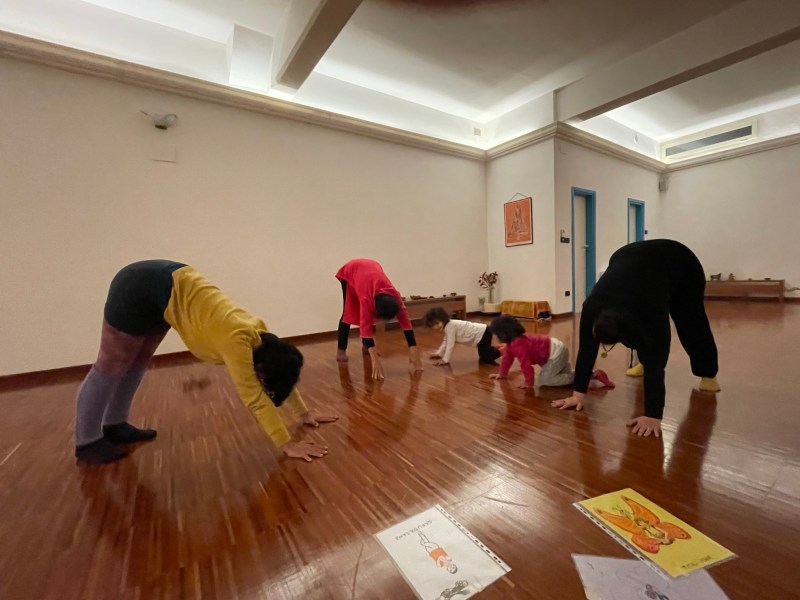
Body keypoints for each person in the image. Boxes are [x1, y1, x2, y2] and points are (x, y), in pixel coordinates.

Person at [74, 260, 336, 464]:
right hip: (140, 285)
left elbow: (282, 374)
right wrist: (286, 443)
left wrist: (304, 414)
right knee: (112, 362)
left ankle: (116, 425)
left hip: (169, 289)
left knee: (137, 363)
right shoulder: (237, 343)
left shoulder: (264, 339)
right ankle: (87, 442)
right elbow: (255, 398)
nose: (262, 382)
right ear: (259, 368)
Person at [551, 239, 721, 438]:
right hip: (628, 259)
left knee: (691, 322)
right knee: (641, 341)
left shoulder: (651, 309)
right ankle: (642, 362)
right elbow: (587, 349)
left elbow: (658, 356)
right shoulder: (592, 306)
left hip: (682, 266)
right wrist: (578, 394)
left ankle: (708, 372)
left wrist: (653, 415)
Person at [335, 258, 422, 379]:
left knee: (364, 316)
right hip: (350, 271)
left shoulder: (395, 296)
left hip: (371, 270)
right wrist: (374, 359)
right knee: (348, 312)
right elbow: (365, 325)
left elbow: (406, 323)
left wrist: (413, 347)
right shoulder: (367, 299)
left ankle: (366, 346)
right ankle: (341, 348)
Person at [488, 315, 614, 389]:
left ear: (503, 333)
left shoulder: (517, 344)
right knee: (560, 374)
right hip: (555, 349)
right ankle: (591, 374)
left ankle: (587, 377)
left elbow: (525, 365)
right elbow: (507, 358)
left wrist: (528, 382)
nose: (495, 337)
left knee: (545, 380)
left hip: (555, 354)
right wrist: (502, 374)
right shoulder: (512, 343)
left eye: (495, 334)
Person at [422, 307, 500, 366]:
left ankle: (503, 350)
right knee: (483, 358)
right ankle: (496, 348)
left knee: (487, 358)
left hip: (483, 333)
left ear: (443, 318)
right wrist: (438, 353)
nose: (436, 327)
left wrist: (445, 360)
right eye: (433, 326)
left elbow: (450, 344)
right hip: (481, 334)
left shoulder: (450, 326)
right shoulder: (448, 326)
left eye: (437, 323)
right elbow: (446, 341)